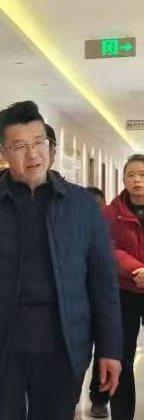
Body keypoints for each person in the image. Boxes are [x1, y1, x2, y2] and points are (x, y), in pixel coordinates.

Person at [0, 100, 122, 420]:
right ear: (3, 152)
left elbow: (103, 285)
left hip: (63, 348)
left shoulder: (81, 205)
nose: (33, 154)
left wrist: (110, 349)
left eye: (39, 142)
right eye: (20, 146)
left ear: (50, 146)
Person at [104, 154, 144, 420]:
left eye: (142, 174)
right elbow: (107, 248)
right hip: (123, 292)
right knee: (121, 358)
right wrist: (137, 271)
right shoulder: (110, 213)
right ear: (123, 179)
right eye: (131, 175)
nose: (137, 180)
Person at [83, 186, 111, 418]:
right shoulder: (70, 231)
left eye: (99, 208)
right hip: (78, 306)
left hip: (103, 304)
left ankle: (99, 399)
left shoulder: (110, 230)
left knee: (105, 352)